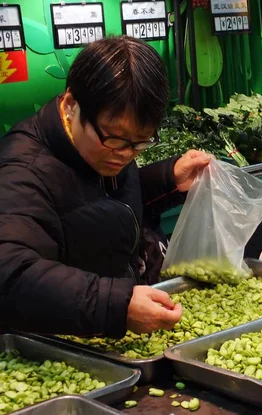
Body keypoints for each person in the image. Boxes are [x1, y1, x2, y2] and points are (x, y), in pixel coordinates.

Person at [0, 36, 212, 338]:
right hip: (52, 344)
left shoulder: (103, 149)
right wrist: (116, 305)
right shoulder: (20, 170)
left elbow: (96, 208)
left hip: (103, 335)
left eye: (140, 142)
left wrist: (168, 179)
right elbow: (11, 274)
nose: (125, 154)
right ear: (72, 105)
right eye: (115, 138)